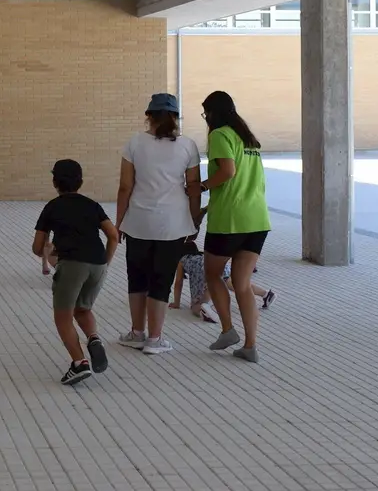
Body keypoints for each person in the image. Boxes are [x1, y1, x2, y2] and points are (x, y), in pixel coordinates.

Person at [115, 93, 202, 355]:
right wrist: (194, 219)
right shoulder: (188, 146)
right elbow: (194, 188)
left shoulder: (135, 143)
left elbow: (124, 187)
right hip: (173, 224)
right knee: (161, 280)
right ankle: (155, 339)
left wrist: (119, 222)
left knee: (137, 278)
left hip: (139, 222)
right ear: (175, 118)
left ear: (148, 116)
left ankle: (136, 333)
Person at [198, 91, 270, 363]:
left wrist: (203, 186)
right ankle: (251, 345)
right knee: (242, 283)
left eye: (206, 114)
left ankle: (228, 330)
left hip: (229, 220)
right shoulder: (248, 138)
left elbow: (228, 172)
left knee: (213, 274)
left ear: (213, 113)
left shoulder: (220, 135)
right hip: (257, 219)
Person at [34, 159, 118, 385]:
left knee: (63, 317)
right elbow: (113, 235)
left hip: (72, 264)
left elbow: (36, 246)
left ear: (55, 182)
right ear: (80, 181)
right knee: (83, 309)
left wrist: (49, 248)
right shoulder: (92, 205)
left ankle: (79, 363)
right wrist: (106, 262)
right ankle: (94, 338)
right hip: (98, 263)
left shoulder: (52, 207)